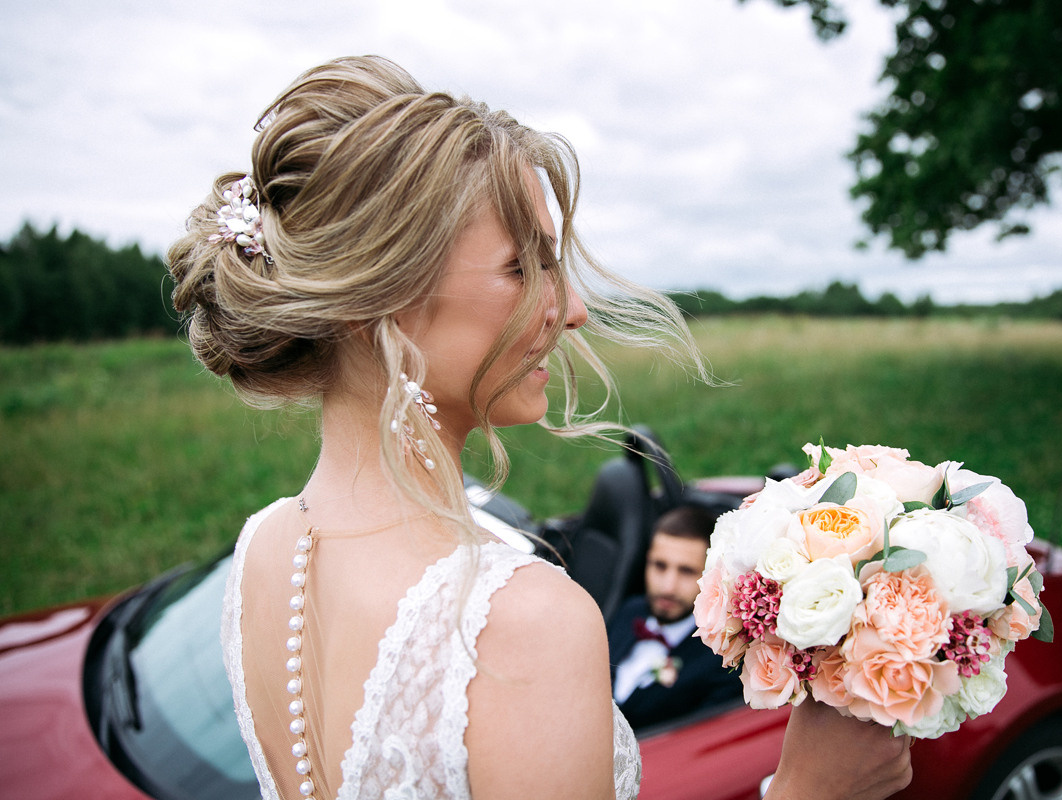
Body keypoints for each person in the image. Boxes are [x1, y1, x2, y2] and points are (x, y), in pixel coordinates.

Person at [168, 55, 912, 800]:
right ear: (380, 300)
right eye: (524, 268)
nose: (574, 309)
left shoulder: (264, 550)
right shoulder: (520, 623)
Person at [609, 505, 742, 729]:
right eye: (659, 566)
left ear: (712, 576)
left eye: (686, 571)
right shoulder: (630, 610)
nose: (668, 587)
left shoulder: (721, 663)